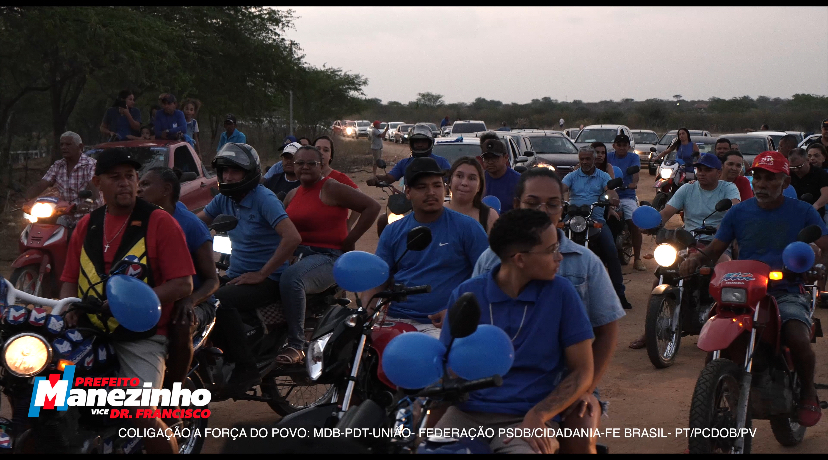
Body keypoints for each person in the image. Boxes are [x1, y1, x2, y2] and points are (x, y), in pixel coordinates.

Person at [472, 167, 624, 453]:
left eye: (553, 204)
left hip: (569, 381)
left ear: (562, 208)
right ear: (516, 205)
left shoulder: (584, 262)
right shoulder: (490, 260)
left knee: (579, 439)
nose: (543, 210)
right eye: (532, 203)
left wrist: (586, 389)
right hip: (500, 386)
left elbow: (606, 332)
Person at [59, 149, 195, 454]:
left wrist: (132, 303)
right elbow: (69, 278)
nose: (125, 183)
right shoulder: (86, 225)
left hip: (142, 336)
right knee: (45, 394)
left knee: (140, 413)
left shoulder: (160, 222)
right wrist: (68, 306)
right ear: (98, 183)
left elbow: (183, 283)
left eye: (130, 176)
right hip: (90, 333)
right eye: (115, 177)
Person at [680, 151, 827, 427]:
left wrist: (817, 260)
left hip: (785, 290)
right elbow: (716, 248)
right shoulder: (739, 212)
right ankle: (708, 408)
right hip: (744, 288)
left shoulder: (803, 211)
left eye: (770, 179)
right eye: (757, 178)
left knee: (797, 337)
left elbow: (825, 243)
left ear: (784, 182)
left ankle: (808, 392)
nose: (761, 184)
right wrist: (695, 259)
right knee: (714, 327)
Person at [436, 209, 595, 454]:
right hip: (466, 415)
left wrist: (539, 415)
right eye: (551, 249)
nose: (559, 257)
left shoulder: (561, 294)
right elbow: (447, 365)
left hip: (525, 417)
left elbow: (583, 369)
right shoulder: (467, 295)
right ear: (519, 259)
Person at [197, 143, 302, 394]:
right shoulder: (225, 198)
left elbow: (292, 237)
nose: (228, 177)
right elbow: (197, 223)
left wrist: (262, 273)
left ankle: (245, 367)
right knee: (197, 296)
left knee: (219, 302)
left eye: (235, 171)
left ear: (250, 172)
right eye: (224, 171)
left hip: (269, 279)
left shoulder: (263, 198)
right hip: (237, 274)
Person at [362, 157, 489, 338]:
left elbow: (487, 279)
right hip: (394, 319)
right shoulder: (393, 231)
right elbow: (377, 280)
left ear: (445, 188)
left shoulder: (468, 228)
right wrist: (366, 315)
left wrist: (459, 311)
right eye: (422, 187)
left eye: (437, 185)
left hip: (440, 324)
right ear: (407, 192)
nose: (431, 192)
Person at [276, 146, 380, 364]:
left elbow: (371, 207)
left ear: (321, 165)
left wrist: (349, 240)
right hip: (301, 258)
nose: (304, 167)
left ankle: (296, 345)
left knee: (291, 278)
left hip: (328, 256)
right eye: (299, 163)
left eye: (311, 163)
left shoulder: (331, 187)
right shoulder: (292, 195)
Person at [629, 153, 739, 349]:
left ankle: (726, 326)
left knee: (724, 269)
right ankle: (649, 330)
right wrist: (653, 224)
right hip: (688, 242)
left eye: (707, 170)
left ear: (719, 172)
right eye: (699, 169)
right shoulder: (687, 189)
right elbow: (666, 212)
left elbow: (736, 211)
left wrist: (726, 230)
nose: (702, 174)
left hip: (717, 242)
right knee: (661, 276)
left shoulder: (728, 188)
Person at [137, 167, 219, 386]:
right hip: (157, 298)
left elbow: (213, 280)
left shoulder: (191, 225)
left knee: (181, 323)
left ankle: (173, 388)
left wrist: (191, 301)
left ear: (165, 190)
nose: (138, 190)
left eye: (145, 184)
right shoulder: (139, 222)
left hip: (195, 302)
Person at [562, 146, 632, 310]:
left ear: (594, 159)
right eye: (582, 159)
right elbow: (561, 188)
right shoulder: (572, 176)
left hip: (596, 219)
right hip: (572, 218)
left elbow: (611, 191)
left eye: (588, 159)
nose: (585, 162)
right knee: (553, 245)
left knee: (611, 251)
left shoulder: (603, 176)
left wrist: (613, 199)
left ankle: (619, 294)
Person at [26, 131, 102, 214]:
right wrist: (27, 199)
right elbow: (42, 184)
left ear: (80, 147)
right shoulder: (58, 165)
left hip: (89, 215)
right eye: (61, 144)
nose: (63, 147)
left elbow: (94, 187)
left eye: (68, 144)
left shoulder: (91, 165)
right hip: (65, 215)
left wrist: (88, 202)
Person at [607, 133, 645, 271]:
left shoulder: (633, 157)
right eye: (619, 145)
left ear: (628, 146)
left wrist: (633, 183)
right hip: (611, 195)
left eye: (625, 145)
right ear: (614, 146)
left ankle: (638, 259)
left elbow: (635, 173)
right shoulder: (608, 157)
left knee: (634, 223)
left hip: (627, 196)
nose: (622, 148)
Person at [367, 124, 451, 186]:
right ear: (411, 143)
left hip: (435, 201)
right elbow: (389, 178)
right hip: (411, 201)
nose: (420, 145)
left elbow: (451, 179)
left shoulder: (441, 161)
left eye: (423, 142)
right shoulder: (404, 163)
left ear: (430, 143)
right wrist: (376, 178)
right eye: (417, 142)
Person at [445, 156, 499, 233]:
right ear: (450, 181)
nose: (464, 183)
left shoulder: (489, 216)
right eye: (459, 176)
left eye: (471, 178)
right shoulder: (436, 212)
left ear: (479, 186)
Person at [480, 132, 520, 214]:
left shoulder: (518, 181)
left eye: (494, 158)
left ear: (505, 158)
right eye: (487, 158)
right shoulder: (479, 180)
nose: (490, 162)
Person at [789, 147, 828, 216]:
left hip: (815, 213)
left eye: (799, 166)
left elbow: (825, 195)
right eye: (792, 168)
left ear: (807, 160)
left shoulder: (820, 174)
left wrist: (814, 207)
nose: (796, 170)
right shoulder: (788, 174)